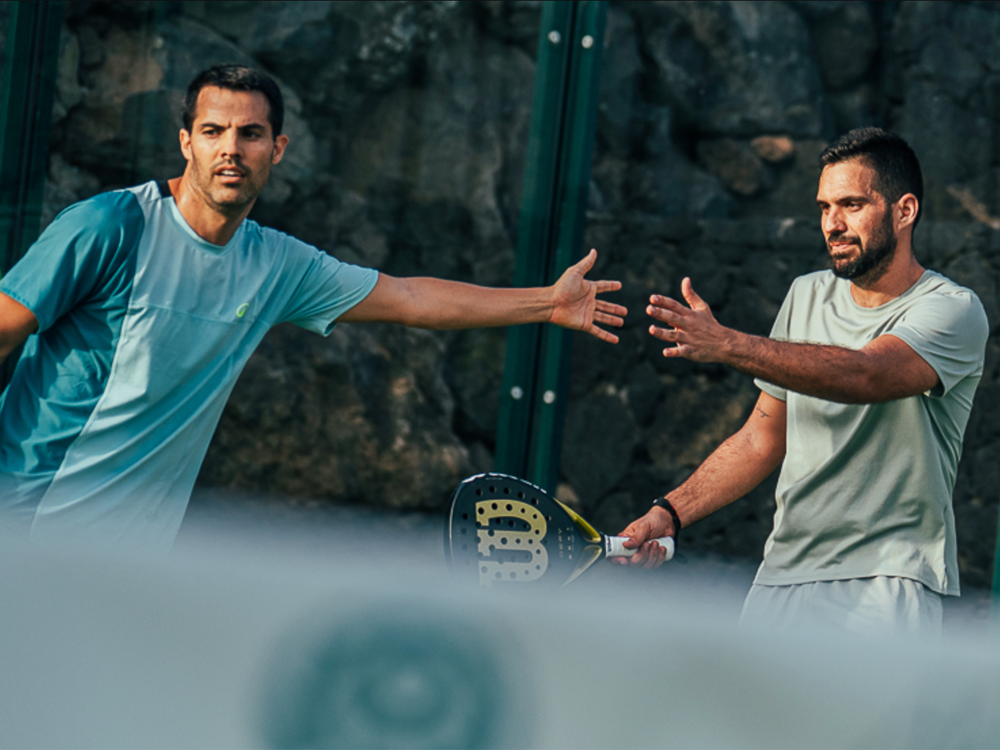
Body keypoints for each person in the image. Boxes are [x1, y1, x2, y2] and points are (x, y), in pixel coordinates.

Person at [0, 65, 626, 550]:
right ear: (186, 142)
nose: (230, 150)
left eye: (250, 134)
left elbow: (408, 298)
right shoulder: (108, 226)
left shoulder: (276, 264)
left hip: (132, 560)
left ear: (277, 148)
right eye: (213, 132)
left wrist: (547, 302)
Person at [617, 128, 988, 635]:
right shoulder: (806, 294)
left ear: (905, 211)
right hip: (781, 578)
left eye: (852, 204)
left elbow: (866, 374)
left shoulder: (953, 310)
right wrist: (670, 513)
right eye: (823, 207)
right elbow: (760, 439)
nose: (832, 224)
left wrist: (728, 344)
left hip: (888, 582)